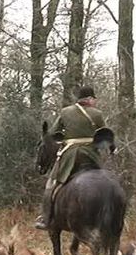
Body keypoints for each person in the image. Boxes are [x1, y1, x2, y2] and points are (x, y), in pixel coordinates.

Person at [34, 86, 106, 230]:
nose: (95, 102)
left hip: (71, 155)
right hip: (91, 155)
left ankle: (46, 218)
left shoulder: (65, 112)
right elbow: (104, 134)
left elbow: (53, 133)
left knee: (51, 183)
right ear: (90, 99)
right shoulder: (97, 114)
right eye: (94, 99)